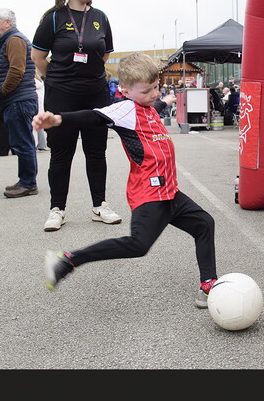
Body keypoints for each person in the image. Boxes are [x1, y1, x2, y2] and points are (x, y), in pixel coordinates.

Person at [35, 52, 218, 308]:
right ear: (125, 90)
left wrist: (163, 99)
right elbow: (92, 116)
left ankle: (209, 285)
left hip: (169, 192)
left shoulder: (147, 106)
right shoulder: (124, 110)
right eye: (147, 91)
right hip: (149, 192)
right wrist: (57, 119)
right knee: (138, 245)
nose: (153, 93)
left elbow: (155, 106)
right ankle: (66, 261)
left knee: (204, 224)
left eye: (156, 86)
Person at [31, 0, 122, 230]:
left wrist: (88, 75)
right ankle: (57, 209)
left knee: (97, 151)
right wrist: (58, 79)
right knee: (61, 153)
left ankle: (100, 205)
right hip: (61, 95)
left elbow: (104, 54)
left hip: (95, 94)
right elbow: (38, 57)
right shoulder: (54, 18)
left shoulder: (100, 17)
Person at [0, 7, 39, 199]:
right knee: (22, 142)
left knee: (23, 143)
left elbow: (17, 70)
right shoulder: (12, 40)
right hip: (18, 99)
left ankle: (28, 183)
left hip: (18, 99)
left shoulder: (14, 40)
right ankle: (26, 181)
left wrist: (1, 92)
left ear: (7, 22)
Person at [34, 72, 49, 151]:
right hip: (41, 104)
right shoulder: (40, 80)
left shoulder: (33, 81)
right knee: (40, 126)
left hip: (36, 105)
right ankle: (42, 144)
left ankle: (42, 144)